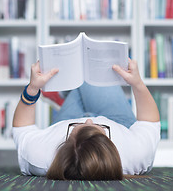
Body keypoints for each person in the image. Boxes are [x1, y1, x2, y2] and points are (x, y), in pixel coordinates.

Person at [12, 59, 160, 180]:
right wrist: (137, 83)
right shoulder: (136, 153)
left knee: (79, 73)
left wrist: (32, 89)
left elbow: (22, 127)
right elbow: (150, 120)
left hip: (63, 121)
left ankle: (66, 95)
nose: (89, 121)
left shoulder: (40, 156)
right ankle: (66, 94)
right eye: (100, 128)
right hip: (117, 120)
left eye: (78, 126)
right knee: (90, 73)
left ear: (65, 142)